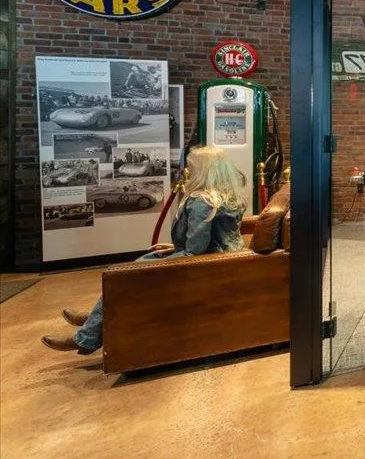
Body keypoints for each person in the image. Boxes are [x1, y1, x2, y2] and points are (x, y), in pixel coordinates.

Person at [41, 146, 247, 355]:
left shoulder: (202, 201)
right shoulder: (229, 198)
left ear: (203, 171)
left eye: (192, 168)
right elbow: (213, 237)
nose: (188, 172)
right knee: (141, 263)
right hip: (220, 258)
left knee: (127, 275)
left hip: (201, 264)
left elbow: (196, 249)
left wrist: (172, 254)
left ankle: (86, 336)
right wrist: (173, 248)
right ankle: (96, 318)